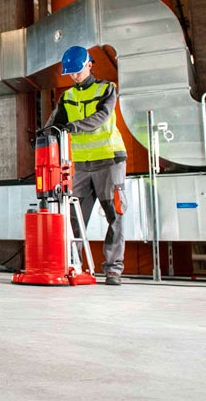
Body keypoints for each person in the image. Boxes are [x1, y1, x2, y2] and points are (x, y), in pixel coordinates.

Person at [44, 45, 127, 286]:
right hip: (80, 165)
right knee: (73, 218)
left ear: (89, 65)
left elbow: (101, 117)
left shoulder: (107, 89)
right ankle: (75, 266)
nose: (74, 76)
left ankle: (113, 269)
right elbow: (54, 122)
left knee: (115, 215)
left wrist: (74, 126)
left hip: (109, 160)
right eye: (70, 73)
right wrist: (42, 136)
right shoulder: (67, 96)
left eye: (78, 71)